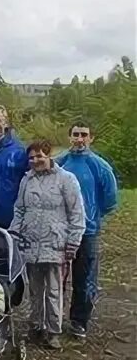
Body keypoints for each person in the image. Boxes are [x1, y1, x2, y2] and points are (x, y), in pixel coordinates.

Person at [9, 140, 86, 350]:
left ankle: (53, 331)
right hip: (30, 243)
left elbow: (77, 213)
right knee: (35, 289)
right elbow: (20, 209)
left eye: (39, 156)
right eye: (32, 158)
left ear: (49, 155)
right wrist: (13, 234)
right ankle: (36, 325)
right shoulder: (27, 180)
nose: (35, 161)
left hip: (55, 244)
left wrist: (73, 242)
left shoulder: (66, 180)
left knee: (54, 289)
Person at [55, 120, 119, 339]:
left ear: (91, 138)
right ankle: (53, 318)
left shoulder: (99, 166)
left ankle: (79, 321)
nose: (79, 139)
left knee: (84, 278)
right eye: (75, 134)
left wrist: (92, 216)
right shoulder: (60, 162)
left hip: (88, 232)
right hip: (60, 230)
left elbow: (110, 199)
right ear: (69, 136)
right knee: (57, 278)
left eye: (84, 135)